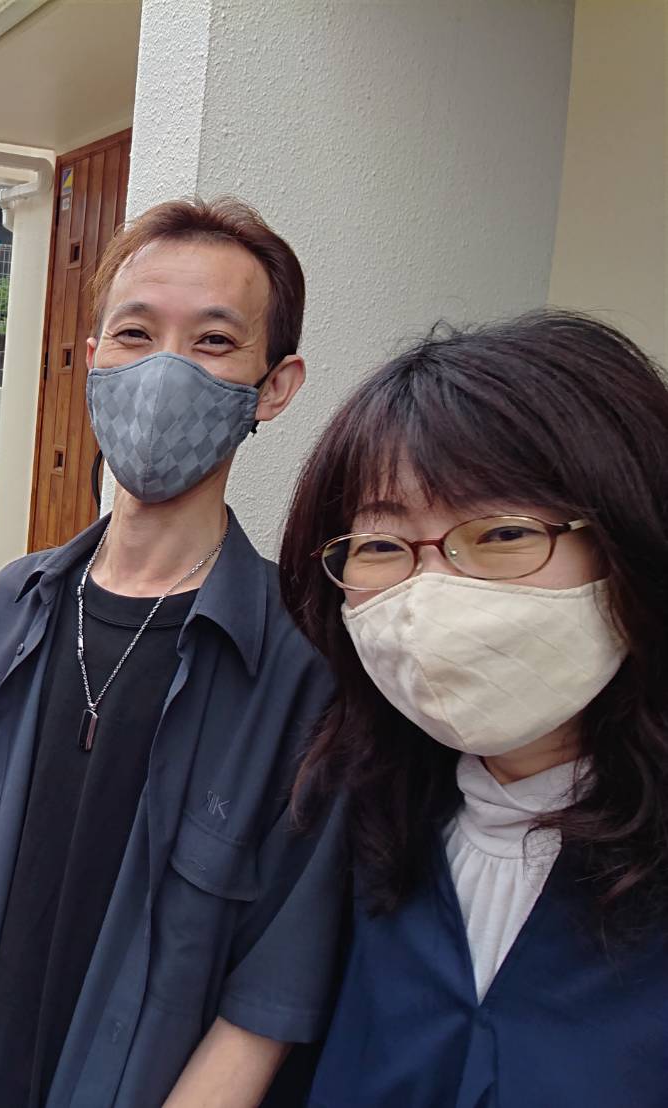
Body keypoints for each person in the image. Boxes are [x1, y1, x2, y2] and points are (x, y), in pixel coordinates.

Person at [0, 197, 347, 1108]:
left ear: (274, 386)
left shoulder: (302, 669)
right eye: (135, 334)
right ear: (93, 357)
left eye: (213, 341)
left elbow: (273, 990)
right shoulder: (10, 607)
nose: (164, 369)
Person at [278, 311, 668, 1106]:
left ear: (630, 541)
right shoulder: (342, 819)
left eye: (500, 534)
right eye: (380, 545)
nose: (432, 597)